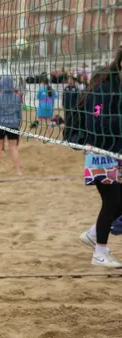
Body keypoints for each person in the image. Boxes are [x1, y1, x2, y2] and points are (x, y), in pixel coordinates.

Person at [78, 47, 122, 267]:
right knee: (112, 200)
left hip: (113, 153)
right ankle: (100, 252)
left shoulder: (113, 91)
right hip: (100, 154)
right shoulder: (101, 92)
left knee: (118, 201)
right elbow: (98, 122)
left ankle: (95, 233)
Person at [0, 76, 23, 177]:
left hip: (0, 125)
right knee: (13, 148)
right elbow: (19, 113)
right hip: (13, 124)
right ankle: (19, 171)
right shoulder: (17, 97)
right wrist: (18, 125)